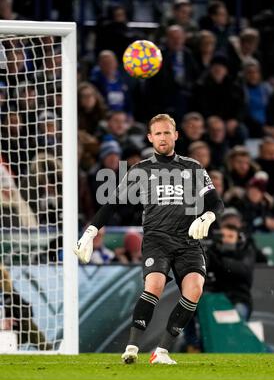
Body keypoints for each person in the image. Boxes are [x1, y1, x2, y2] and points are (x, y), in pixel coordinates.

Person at [74, 113, 224, 364]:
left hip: (188, 241)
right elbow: (113, 202)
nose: (163, 138)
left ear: (176, 135)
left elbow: (216, 203)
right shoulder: (141, 170)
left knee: (195, 290)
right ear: (150, 138)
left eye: (167, 132)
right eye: (158, 133)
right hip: (157, 239)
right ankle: (131, 348)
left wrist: (208, 216)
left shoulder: (193, 168)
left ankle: (161, 352)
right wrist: (90, 231)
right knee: (153, 285)